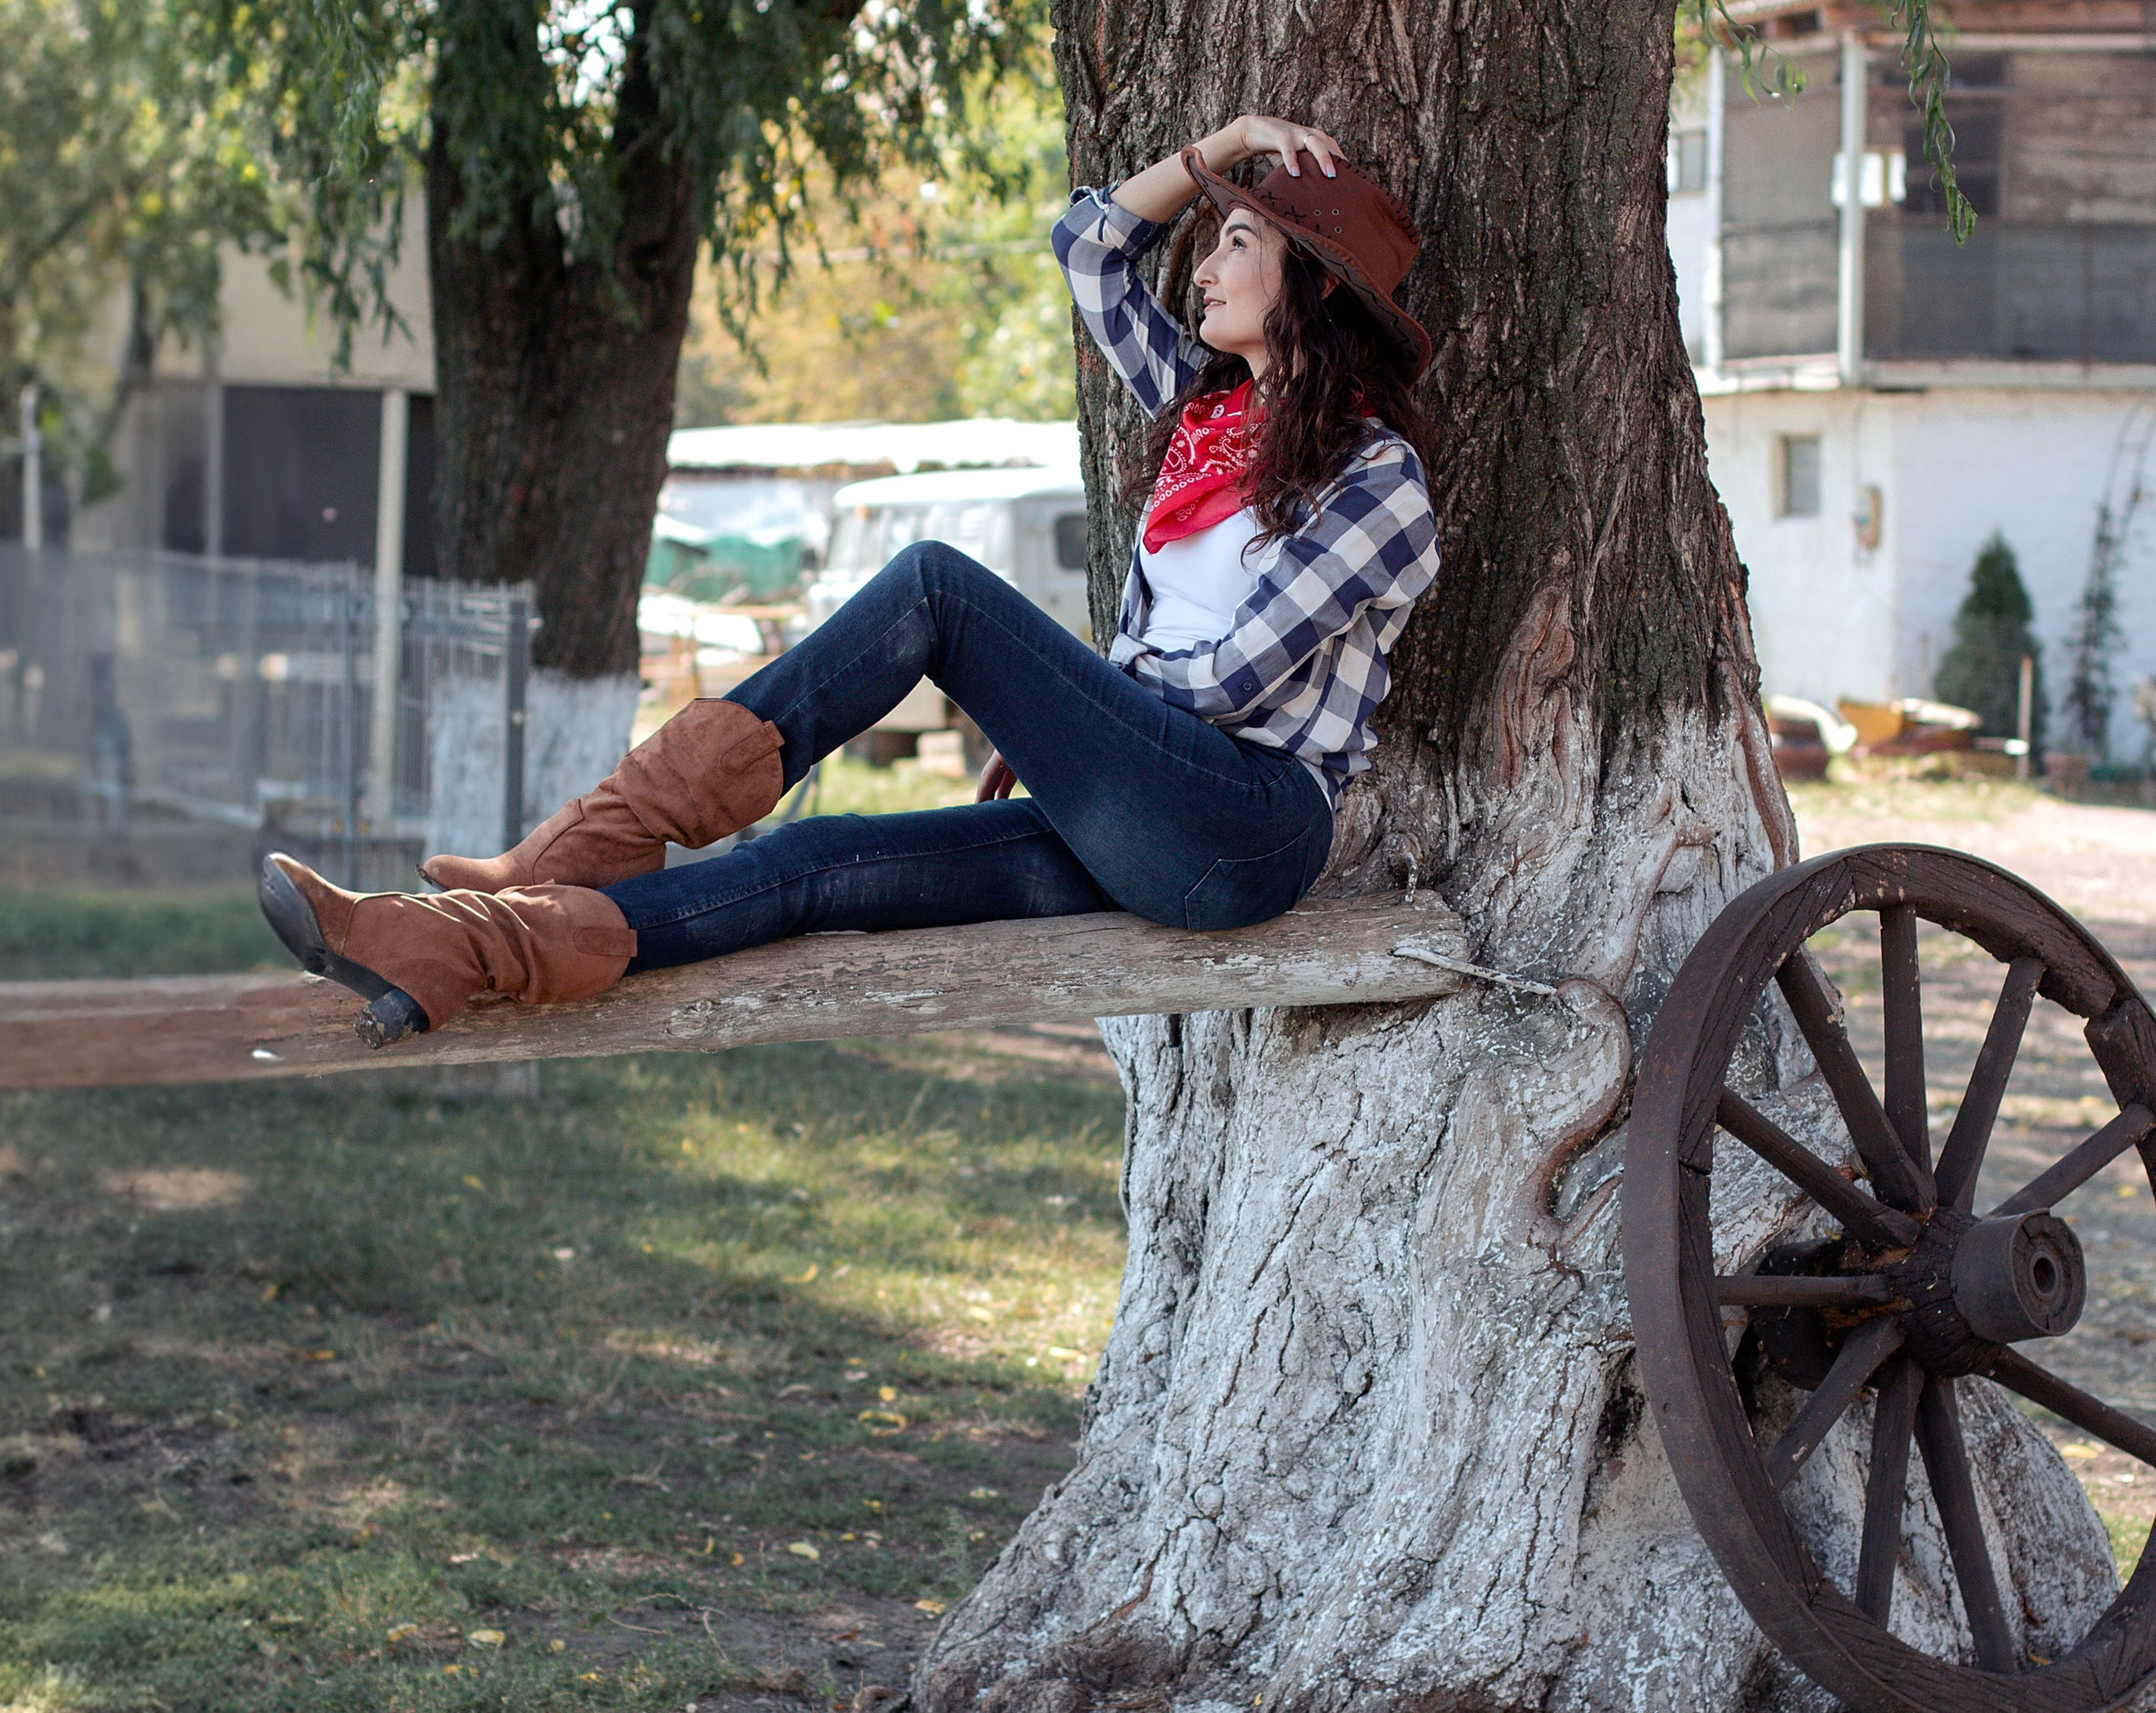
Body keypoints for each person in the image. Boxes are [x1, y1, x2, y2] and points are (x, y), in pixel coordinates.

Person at [258, 115, 1443, 1045]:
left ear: (1321, 283)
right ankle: (462, 944)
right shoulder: (1205, 413)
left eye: (1241, 238)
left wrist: (1075, 721)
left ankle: (599, 832)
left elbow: (1230, 687)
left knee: (939, 588)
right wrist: (1220, 147)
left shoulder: (1375, 478)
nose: (1207, 266)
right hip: (1140, 806)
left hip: (1240, 827)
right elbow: (1089, 245)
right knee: (826, 864)